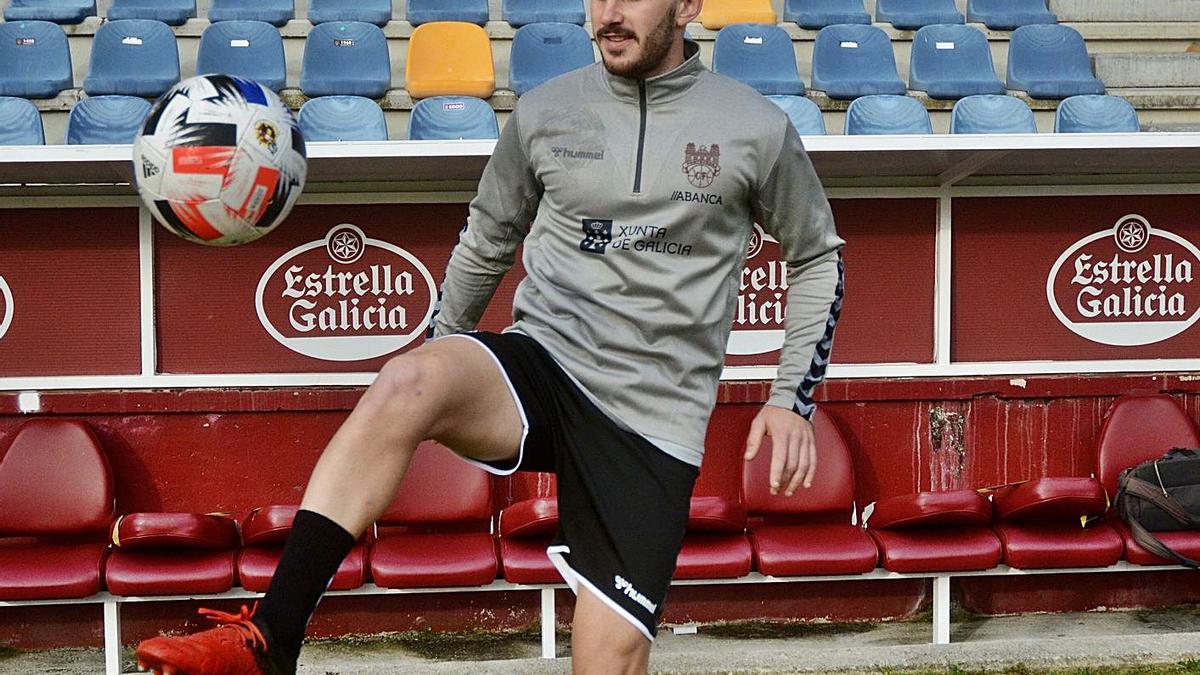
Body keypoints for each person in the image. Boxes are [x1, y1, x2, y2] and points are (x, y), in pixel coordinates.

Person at [135, 0, 844, 673]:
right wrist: (441, 353)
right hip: (546, 364)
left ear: (688, 6)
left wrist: (791, 397)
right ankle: (270, 639)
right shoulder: (543, 111)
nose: (608, 14)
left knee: (608, 660)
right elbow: (488, 238)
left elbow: (817, 255)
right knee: (407, 382)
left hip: (652, 420)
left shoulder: (754, 127)